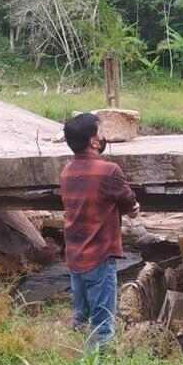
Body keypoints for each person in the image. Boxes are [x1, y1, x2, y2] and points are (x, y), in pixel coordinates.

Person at [60, 113, 140, 351]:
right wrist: (134, 209)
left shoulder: (67, 171)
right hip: (99, 256)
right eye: (101, 131)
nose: (104, 136)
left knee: (81, 316)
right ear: (94, 141)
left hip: (74, 256)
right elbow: (129, 202)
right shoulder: (109, 170)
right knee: (103, 324)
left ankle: (72, 355)